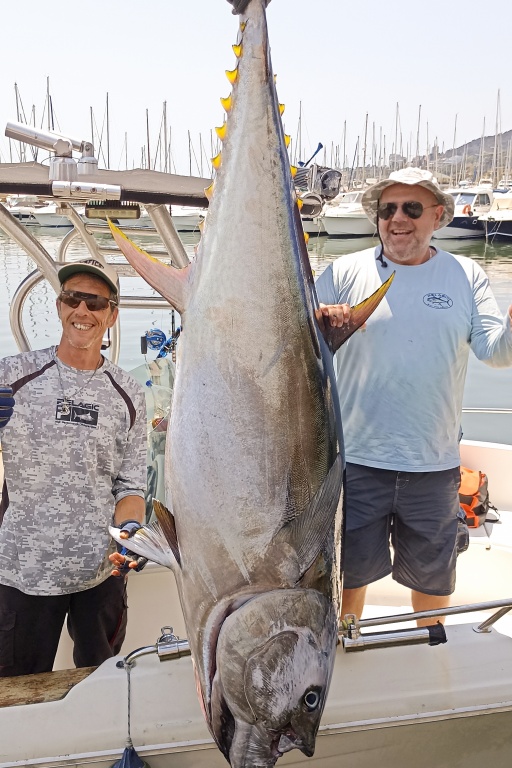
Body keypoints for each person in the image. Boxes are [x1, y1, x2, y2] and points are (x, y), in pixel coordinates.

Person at [315, 168, 512, 626]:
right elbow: (300, 342)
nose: (397, 219)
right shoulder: (345, 271)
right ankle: (347, 647)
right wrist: (322, 322)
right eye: (387, 209)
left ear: (438, 216)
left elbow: (495, 353)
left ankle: (430, 650)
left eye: (412, 208)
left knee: (432, 579)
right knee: (348, 574)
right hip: (357, 462)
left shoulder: (466, 274)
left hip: (434, 464)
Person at [0, 259, 148, 676]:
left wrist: (131, 533)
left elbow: (131, 485)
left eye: (95, 302)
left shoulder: (129, 392)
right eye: (72, 298)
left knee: (101, 682)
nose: (82, 311)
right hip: (23, 574)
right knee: (17, 691)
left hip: (100, 574)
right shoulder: (11, 376)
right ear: (60, 305)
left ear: (112, 316)